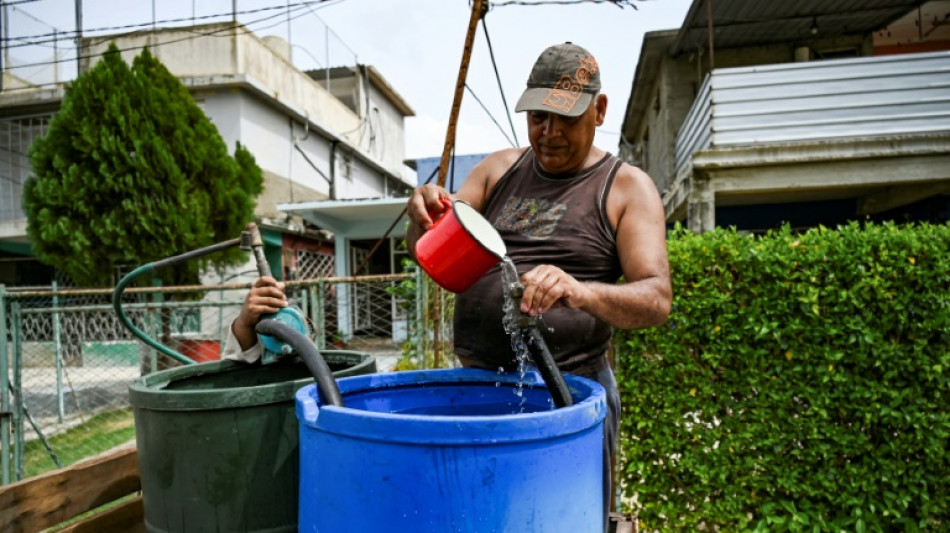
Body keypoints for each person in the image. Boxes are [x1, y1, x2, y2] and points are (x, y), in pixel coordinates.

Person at [405, 42, 672, 530]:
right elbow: (430, 250)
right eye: (537, 117)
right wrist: (422, 215)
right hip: (480, 390)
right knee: (479, 518)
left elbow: (655, 299)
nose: (547, 133)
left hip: (568, 396)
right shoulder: (498, 169)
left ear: (600, 110)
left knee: (567, 520)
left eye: (564, 118)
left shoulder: (625, 187)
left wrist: (582, 291)